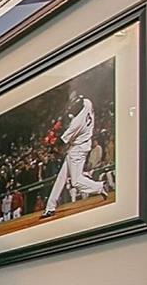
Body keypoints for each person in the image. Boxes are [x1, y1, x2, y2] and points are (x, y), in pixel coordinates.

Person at [42, 90, 108, 218]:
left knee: (76, 181)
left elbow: (61, 142)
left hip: (78, 150)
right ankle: (50, 207)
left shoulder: (76, 123)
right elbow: (70, 111)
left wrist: (50, 142)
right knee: (61, 178)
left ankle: (99, 187)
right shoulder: (87, 102)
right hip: (82, 144)